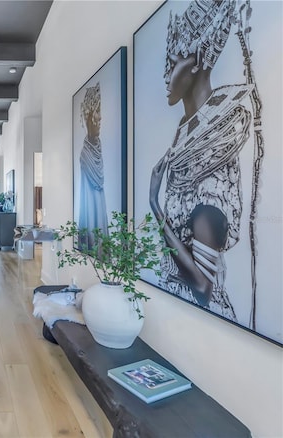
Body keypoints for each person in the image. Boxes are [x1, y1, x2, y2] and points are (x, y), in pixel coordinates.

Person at [149, 0, 254, 321]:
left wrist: (154, 204)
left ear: (195, 61)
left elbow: (203, 287)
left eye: (173, 61)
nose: (166, 74)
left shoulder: (214, 148)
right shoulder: (185, 137)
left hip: (201, 314)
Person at [77, 82, 108, 250]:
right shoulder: (85, 155)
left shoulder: (98, 147)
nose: (100, 117)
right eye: (97, 111)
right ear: (88, 115)